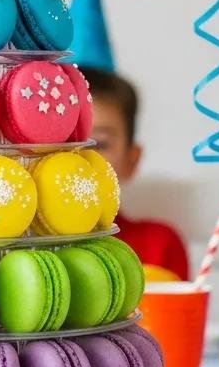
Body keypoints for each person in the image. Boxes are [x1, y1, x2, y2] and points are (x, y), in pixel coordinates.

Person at [81, 66, 190, 279]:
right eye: (64, 143)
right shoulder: (14, 249)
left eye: (100, 144)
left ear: (132, 160)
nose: (79, 156)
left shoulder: (159, 246)